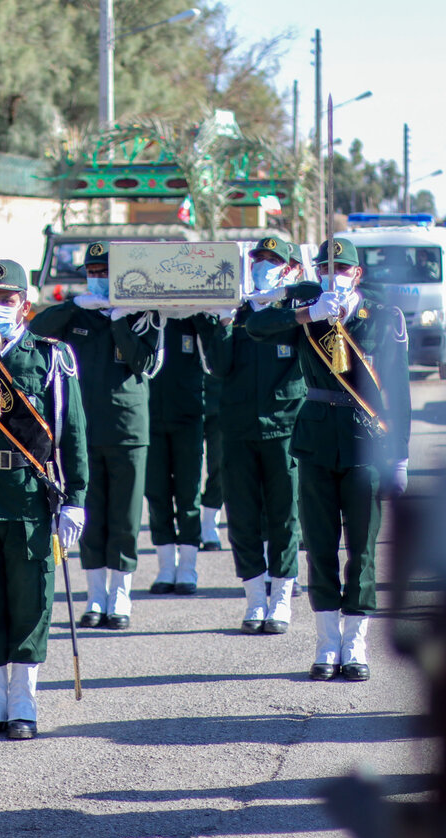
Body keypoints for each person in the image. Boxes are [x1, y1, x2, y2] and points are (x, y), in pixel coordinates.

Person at [247, 237, 411, 681]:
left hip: (365, 443)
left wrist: (400, 455)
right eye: (323, 267)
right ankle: (326, 643)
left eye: (340, 267)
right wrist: (307, 312)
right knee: (319, 546)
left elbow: (398, 390)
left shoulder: (380, 318)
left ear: (357, 274)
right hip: (316, 439)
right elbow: (256, 327)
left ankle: (355, 644)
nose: (330, 274)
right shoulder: (308, 310)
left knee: (361, 548)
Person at [0, 259, 87, 740]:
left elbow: (72, 432)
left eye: (5, 300)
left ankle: (24, 700)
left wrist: (75, 497)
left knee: (31, 599)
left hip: (32, 495)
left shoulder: (51, 355)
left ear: (24, 305)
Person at [28, 240, 160, 630]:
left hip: (127, 430)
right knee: (88, 514)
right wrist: (75, 305)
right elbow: (35, 329)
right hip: (83, 430)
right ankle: (95, 596)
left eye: (106, 272)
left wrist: (119, 318)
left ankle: (120, 597)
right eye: (94, 272)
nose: (99, 278)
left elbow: (145, 362)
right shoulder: (76, 313)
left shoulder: (142, 314)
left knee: (124, 517)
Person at [200, 237, 307, 635]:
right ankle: (254, 599)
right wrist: (225, 324)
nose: (263, 265)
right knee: (242, 517)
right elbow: (219, 366)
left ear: (287, 268)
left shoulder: (295, 314)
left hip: (285, 429)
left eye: (272, 260)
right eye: (258, 259)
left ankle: (281, 596)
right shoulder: (236, 313)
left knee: (284, 516)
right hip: (239, 430)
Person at [145, 315, 215, 595]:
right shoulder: (145, 318)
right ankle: (165, 567)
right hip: (150, 417)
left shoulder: (193, 319)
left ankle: (188, 566)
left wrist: (199, 313)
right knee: (157, 495)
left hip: (188, 417)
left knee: (188, 495)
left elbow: (213, 358)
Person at [199, 370, 225, 551]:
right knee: (186, 472)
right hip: (185, 394)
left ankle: (209, 526)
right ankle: (189, 527)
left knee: (220, 466)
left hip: (218, 395)